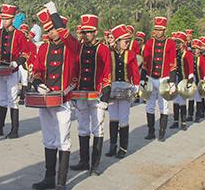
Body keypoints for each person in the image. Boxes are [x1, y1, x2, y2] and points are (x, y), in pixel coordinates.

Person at [30, 3, 80, 190]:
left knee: (63, 139)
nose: (50, 33)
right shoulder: (43, 48)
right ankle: (49, 177)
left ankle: (62, 180)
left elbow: (68, 37)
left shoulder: (71, 47)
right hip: (46, 99)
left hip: (63, 98)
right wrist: (37, 83)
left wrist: (54, 12)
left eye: (52, 29)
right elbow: (37, 69)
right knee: (48, 139)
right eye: (47, 30)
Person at [72, 14, 111, 172]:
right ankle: (83, 161)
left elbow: (108, 72)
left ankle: (95, 164)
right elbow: (74, 69)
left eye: (89, 31)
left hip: (97, 94)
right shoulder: (78, 48)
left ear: (95, 32)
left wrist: (105, 96)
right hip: (81, 92)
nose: (85, 34)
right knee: (82, 127)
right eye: (84, 31)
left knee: (98, 128)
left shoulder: (103, 49)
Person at [0, 4, 28, 139]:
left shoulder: (19, 34)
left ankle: (14, 129)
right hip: (0, 70)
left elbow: (25, 54)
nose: (4, 21)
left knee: (13, 99)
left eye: (6, 18)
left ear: (13, 19)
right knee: (1, 98)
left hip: (12, 71)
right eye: (3, 18)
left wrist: (16, 62)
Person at [106, 24, 140, 160]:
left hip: (126, 87)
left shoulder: (131, 54)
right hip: (113, 87)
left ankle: (123, 148)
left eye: (128, 41)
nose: (127, 43)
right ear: (118, 40)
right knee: (113, 117)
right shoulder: (109, 52)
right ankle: (112, 146)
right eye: (125, 41)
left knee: (124, 118)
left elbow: (135, 71)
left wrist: (136, 85)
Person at [141, 17, 177, 140]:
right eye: (155, 29)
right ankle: (151, 131)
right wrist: (142, 79)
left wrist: (172, 82)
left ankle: (162, 132)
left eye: (160, 30)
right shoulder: (149, 42)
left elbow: (173, 63)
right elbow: (145, 62)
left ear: (164, 30)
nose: (157, 31)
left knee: (164, 106)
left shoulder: (171, 43)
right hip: (151, 77)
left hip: (164, 79)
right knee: (149, 106)